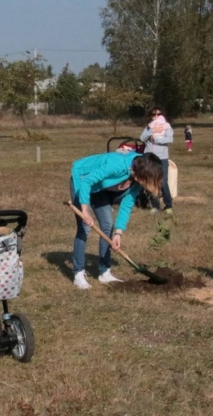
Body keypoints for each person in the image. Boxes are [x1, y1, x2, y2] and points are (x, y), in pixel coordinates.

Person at [70, 150, 163, 289]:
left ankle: (104, 272)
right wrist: (85, 211)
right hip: (82, 179)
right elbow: (87, 182)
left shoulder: (137, 181)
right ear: (144, 173)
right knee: (85, 228)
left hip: (99, 189)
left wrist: (118, 233)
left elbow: (126, 205)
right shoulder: (117, 165)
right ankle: (78, 273)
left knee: (108, 225)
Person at [139, 107, 173, 214]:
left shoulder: (166, 126)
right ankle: (155, 205)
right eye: (154, 114)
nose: (156, 116)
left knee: (163, 182)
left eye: (159, 114)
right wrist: (151, 131)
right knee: (151, 181)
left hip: (162, 157)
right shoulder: (149, 127)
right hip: (149, 157)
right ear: (150, 116)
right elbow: (142, 138)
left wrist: (157, 139)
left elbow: (170, 139)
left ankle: (168, 206)